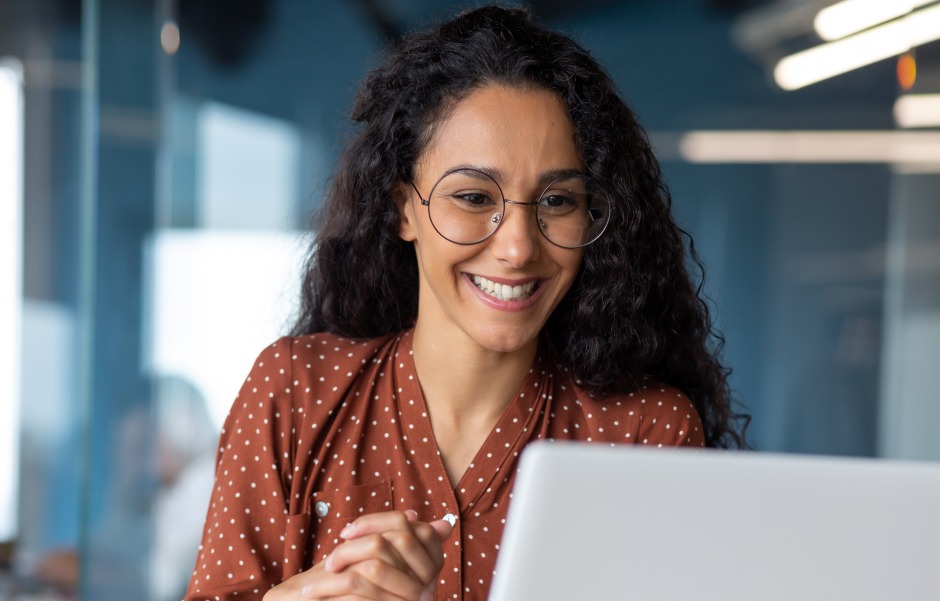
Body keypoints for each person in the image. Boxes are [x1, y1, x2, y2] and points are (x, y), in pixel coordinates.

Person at [184, 6, 748, 601]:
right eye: (475, 197)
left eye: (557, 201)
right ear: (403, 210)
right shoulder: (295, 391)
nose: (518, 247)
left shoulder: (643, 433)